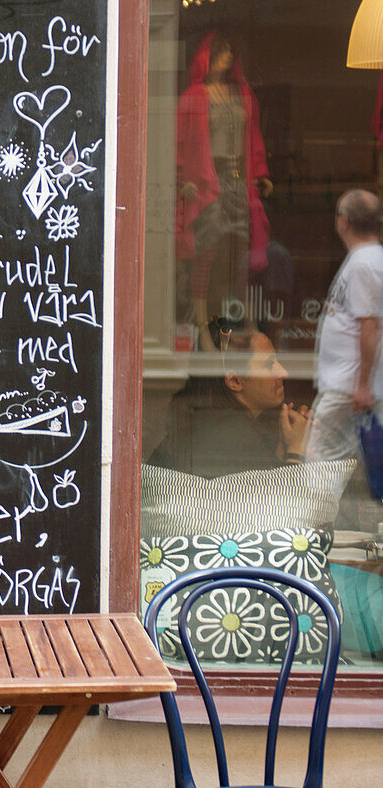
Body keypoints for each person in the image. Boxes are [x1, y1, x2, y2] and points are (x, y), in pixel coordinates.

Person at [176, 32, 273, 344]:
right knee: (206, 254)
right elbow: (179, 141)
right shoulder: (194, 96)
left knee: (241, 255)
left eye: (231, 52)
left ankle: (248, 323)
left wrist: (259, 173)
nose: (227, 57)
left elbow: (254, 136)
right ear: (206, 56)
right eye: (221, 51)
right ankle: (202, 327)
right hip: (208, 182)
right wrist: (182, 178)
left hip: (238, 182)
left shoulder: (242, 94)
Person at [148, 319, 311, 477]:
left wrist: (283, 450)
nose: (283, 372)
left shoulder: (217, 423)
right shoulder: (231, 433)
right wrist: (296, 451)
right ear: (234, 381)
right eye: (269, 365)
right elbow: (275, 502)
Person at [306, 190, 383, 474]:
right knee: (338, 463)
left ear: (344, 222)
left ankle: (316, 519)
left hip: (348, 387)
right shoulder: (365, 259)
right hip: (348, 385)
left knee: (319, 461)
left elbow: (370, 326)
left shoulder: (365, 264)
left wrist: (363, 384)